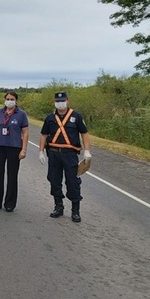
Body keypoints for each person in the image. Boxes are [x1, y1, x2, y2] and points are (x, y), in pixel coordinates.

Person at [38, 91, 91, 223]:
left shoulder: (76, 116)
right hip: (54, 154)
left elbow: (84, 134)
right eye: (57, 101)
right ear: (54, 102)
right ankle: (58, 206)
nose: (60, 103)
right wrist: (40, 151)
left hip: (70, 155)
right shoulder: (50, 118)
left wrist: (87, 151)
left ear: (67, 101)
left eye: (62, 101)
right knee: (54, 180)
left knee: (73, 182)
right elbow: (43, 135)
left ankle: (75, 211)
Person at [0, 91, 29, 212]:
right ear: (4, 100)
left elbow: (25, 132)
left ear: (16, 101)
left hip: (14, 148)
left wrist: (24, 149)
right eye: (8, 99)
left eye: (12, 99)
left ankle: (10, 203)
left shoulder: (21, 114)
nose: (10, 101)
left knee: (12, 175)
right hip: (0, 146)